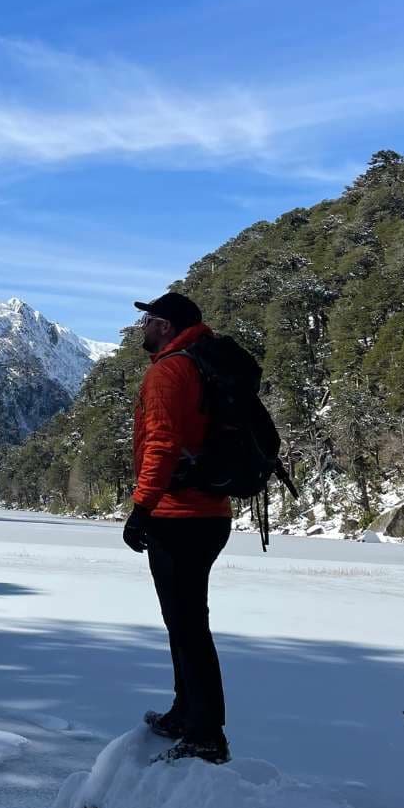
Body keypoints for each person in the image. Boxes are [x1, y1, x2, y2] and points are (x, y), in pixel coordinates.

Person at [122, 291, 232, 764]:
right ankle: (186, 713)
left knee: (187, 625)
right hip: (210, 512)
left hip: (179, 515)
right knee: (184, 621)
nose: (141, 327)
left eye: (148, 320)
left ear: (165, 326)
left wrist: (142, 506)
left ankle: (206, 732)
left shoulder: (169, 371)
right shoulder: (201, 364)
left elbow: (162, 444)